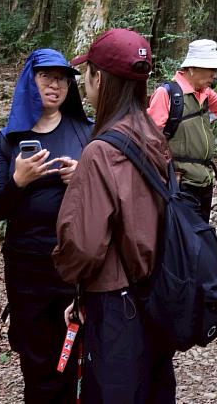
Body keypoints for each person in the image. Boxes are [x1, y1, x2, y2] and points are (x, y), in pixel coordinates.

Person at [53, 28, 176, 403]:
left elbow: (84, 246)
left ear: (100, 78)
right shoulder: (152, 137)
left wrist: (71, 275)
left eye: (88, 72)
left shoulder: (101, 151)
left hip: (114, 305)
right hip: (155, 296)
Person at [0, 48, 92, 403]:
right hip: (26, 268)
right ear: (30, 82)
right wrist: (19, 181)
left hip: (76, 263)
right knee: (35, 354)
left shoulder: (86, 132)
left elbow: (111, 194)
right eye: (46, 77)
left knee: (78, 348)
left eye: (62, 79)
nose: (55, 85)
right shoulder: (6, 140)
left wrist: (84, 177)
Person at [147, 39, 217, 222]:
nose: (214, 75)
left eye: (215, 70)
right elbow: (150, 140)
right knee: (181, 235)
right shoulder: (167, 94)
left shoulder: (205, 93)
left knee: (201, 231)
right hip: (180, 183)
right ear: (192, 68)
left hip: (204, 181)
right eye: (210, 69)